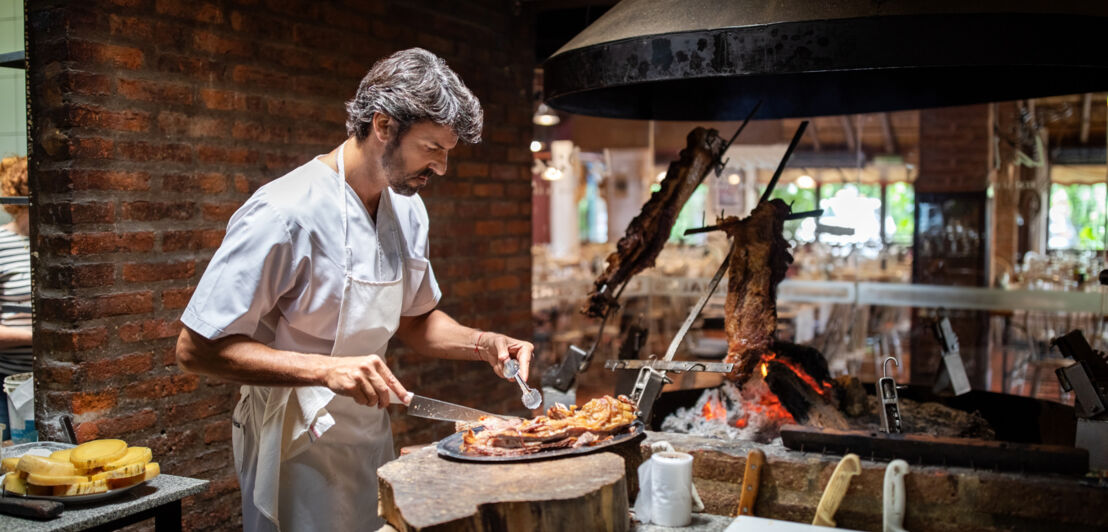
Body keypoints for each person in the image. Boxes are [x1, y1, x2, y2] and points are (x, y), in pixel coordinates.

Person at [175, 48, 534, 531]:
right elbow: (196, 349)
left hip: (368, 431)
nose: (442, 168)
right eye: (433, 149)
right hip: (291, 442)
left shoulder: (407, 208)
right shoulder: (284, 212)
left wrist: (481, 343)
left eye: (447, 153)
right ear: (383, 126)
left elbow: (416, 320)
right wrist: (326, 369)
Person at [0, 156, 32, 442]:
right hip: (8, 387)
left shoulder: (55, 244)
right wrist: (37, 337)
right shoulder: (0, 244)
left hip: (52, 384)